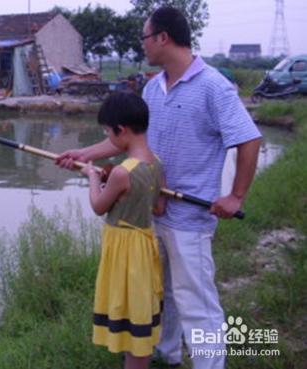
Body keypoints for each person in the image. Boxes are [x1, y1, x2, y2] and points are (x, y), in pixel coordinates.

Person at [57, 6, 262, 369]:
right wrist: (83, 152)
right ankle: (166, 356)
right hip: (153, 213)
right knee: (161, 294)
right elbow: (127, 141)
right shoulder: (153, 88)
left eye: (145, 37)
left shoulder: (214, 86)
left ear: (163, 38)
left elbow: (248, 139)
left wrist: (235, 196)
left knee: (195, 299)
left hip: (190, 218)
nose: (143, 45)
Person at [81, 92, 165, 369]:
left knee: (129, 317)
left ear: (121, 130)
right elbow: (159, 208)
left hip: (124, 253)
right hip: (144, 245)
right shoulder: (156, 164)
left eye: (108, 132)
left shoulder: (121, 173)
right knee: (139, 311)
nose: (109, 138)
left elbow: (98, 205)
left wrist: (94, 178)